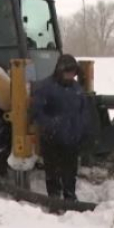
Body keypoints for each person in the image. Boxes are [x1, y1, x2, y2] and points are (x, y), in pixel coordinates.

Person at [31, 54, 90, 202]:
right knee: (52, 171)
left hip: (72, 139)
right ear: (59, 70)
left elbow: (84, 111)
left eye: (73, 73)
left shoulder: (77, 89)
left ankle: (70, 197)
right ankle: (54, 199)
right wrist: (52, 125)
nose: (70, 76)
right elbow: (36, 112)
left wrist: (81, 128)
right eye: (67, 72)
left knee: (70, 172)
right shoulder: (45, 88)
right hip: (52, 139)